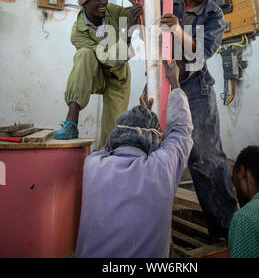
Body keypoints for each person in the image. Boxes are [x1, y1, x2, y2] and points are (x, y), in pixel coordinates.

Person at [76, 60, 193, 258]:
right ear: (154, 141)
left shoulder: (93, 165)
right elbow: (181, 131)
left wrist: (142, 117)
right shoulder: (160, 168)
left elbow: (110, 144)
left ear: (116, 134)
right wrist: (175, 83)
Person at [160, 0, 238, 240]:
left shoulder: (214, 13)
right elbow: (147, 21)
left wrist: (178, 29)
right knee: (158, 152)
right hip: (166, 85)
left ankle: (226, 231)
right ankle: (155, 228)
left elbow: (201, 52)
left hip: (197, 89)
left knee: (206, 158)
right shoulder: (170, 3)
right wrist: (138, 2)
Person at [54, 0, 142, 149]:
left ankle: (106, 167)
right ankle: (71, 122)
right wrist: (128, 34)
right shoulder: (78, 32)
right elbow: (106, 58)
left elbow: (139, 13)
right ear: (84, 2)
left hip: (118, 79)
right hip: (95, 75)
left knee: (112, 138)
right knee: (84, 54)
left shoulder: (112, 12)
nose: (104, 2)